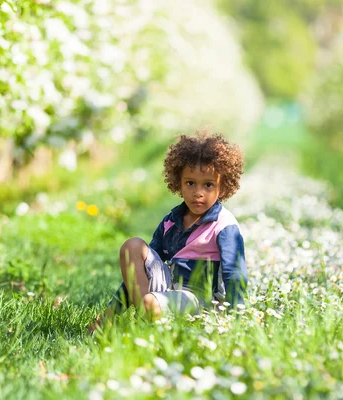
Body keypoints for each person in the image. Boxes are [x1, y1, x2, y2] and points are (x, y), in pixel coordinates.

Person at [89, 130, 248, 332]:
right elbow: (140, 271)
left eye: (208, 185)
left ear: (222, 188)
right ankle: (143, 315)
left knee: (151, 303)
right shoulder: (172, 221)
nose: (198, 192)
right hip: (168, 287)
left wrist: (236, 317)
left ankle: (148, 317)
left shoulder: (224, 225)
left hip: (200, 299)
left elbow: (234, 273)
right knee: (133, 246)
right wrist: (111, 311)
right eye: (190, 183)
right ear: (179, 184)